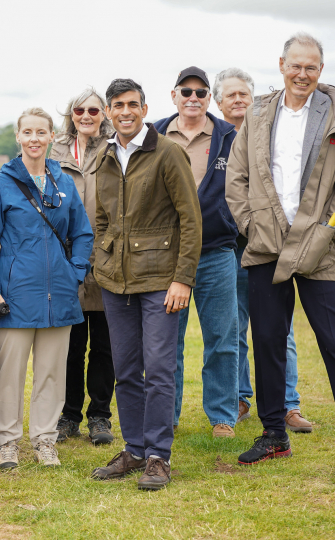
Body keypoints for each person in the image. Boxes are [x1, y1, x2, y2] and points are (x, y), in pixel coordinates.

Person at [226, 33, 335, 481]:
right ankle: (274, 434)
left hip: (319, 250)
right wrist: (251, 225)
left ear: (320, 71)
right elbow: (237, 176)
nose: (302, 73)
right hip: (266, 246)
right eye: (295, 65)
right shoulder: (257, 114)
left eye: (311, 67)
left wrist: (326, 234)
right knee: (269, 341)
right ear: (281, 65)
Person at [90, 79, 201, 491]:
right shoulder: (104, 156)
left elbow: (190, 219)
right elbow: (101, 217)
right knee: (127, 369)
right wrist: (101, 261)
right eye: (117, 105)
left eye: (132, 104)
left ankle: (158, 455)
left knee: (158, 368)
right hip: (115, 281)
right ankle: (134, 449)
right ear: (108, 110)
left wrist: (182, 279)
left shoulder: (168, 153)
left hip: (161, 281)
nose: (125, 111)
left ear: (145, 107)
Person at [0, 108, 94, 468]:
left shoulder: (63, 182)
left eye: (40, 132)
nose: (33, 138)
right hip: (15, 294)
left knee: (51, 372)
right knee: (10, 373)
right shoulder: (0, 183)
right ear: (18, 137)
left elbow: (82, 233)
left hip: (59, 294)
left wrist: (74, 272)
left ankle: (45, 440)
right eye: (27, 132)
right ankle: (7, 443)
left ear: (50, 137)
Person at [214, 68, 312, 432]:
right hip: (231, 248)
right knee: (234, 327)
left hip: (271, 245)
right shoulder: (215, 139)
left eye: (244, 94)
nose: (239, 100)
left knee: (279, 329)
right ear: (218, 101)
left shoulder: (271, 130)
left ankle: (288, 404)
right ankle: (239, 399)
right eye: (231, 95)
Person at [154, 67, 239, 438]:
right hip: (167, 256)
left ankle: (222, 416)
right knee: (167, 342)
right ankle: (166, 417)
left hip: (217, 252)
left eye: (201, 93)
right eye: (186, 92)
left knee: (221, 339)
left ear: (209, 98)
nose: (193, 98)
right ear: (173, 95)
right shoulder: (152, 134)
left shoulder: (230, 136)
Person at [49, 88, 116, 445]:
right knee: (71, 347)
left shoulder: (116, 147)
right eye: (80, 109)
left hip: (108, 259)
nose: (86, 115)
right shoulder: (53, 149)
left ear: (104, 113)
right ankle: (69, 414)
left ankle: (101, 417)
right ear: (71, 113)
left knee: (105, 347)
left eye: (93, 109)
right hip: (66, 262)